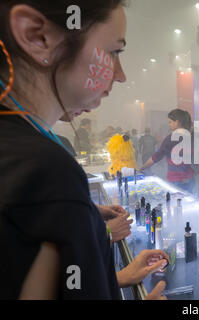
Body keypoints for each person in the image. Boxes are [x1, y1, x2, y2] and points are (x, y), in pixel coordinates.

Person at [0, 1, 167, 299]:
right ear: (37, 37)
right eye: (114, 51)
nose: (121, 75)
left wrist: (112, 277)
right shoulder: (45, 169)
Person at [140, 109, 195, 193]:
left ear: (177, 122)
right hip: (189, 178)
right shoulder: (191, 136)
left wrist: (142, 168)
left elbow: (157, 156)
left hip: (176, 180)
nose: (169, 125)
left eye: (170, 122)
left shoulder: (171, 138)